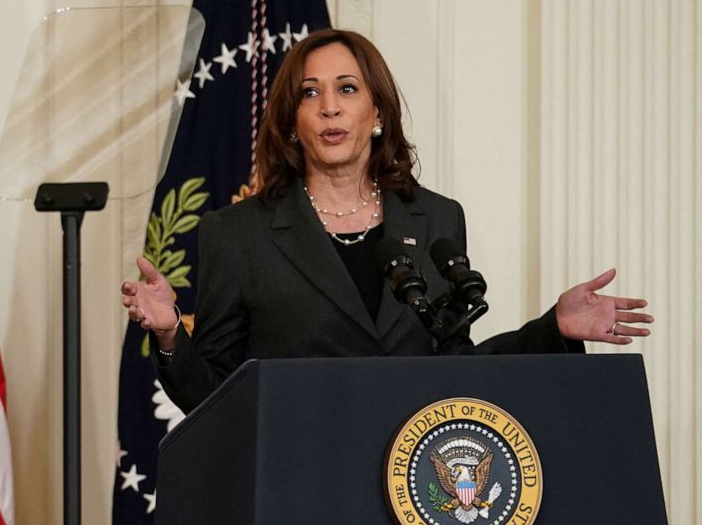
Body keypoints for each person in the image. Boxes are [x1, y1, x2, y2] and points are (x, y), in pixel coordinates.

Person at [120, 29, 651, 414]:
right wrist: (170, 334)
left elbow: (454, 366)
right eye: (310, 93)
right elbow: (213, 396)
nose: (330, 107)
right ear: (291, 123)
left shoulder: (437, 217)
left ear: (377, 114)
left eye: (347, 89)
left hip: (415, 489)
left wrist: (550, 328)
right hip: (299, 494)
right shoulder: (238, 234)